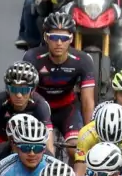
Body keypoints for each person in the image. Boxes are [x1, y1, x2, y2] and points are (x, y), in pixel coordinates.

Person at [22, 9, 96, 146]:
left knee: (75, 148)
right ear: (46, 38)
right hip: (39, 107)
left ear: (71, 39)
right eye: (54, 38)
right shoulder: (32, 57)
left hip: (67, 108)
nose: (59, 43)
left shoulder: (83, 60)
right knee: (39, 148)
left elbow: (87, 101)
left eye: (64, 38)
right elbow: (25, 95)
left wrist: (89, 133)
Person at [0, 63, 54, 159]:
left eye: (24, 90)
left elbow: (49, 147)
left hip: (29, 147)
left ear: (32, 90)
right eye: (14, 89)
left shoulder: (41, 104)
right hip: (2, 143)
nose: (18, 95)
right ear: (7, 89)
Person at [72, 102, 122, 173]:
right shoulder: (86, 133)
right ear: (97, 129)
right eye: (103, 141)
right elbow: (80, 169)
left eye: (117, 143)